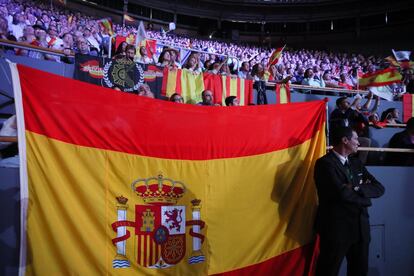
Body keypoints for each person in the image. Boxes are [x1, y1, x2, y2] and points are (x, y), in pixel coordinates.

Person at [314, 126, 385, 276]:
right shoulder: (324, 164)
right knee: (328, 270)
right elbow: (341, 194)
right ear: (345, 140)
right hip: (336, 229)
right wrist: (365, 198)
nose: (359, 143)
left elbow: (379, 188)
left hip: (360, 229)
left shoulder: (356, 163)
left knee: (359, 271)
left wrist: (357, 188)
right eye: (356, 139)